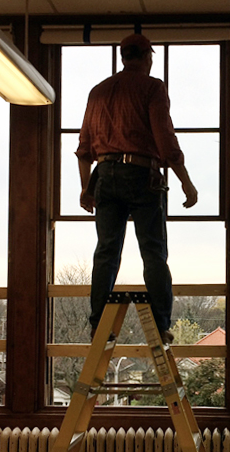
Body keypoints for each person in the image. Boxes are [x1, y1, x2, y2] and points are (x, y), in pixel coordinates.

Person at [75, 33, 198, 344]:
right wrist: (186, 182)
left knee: (106, 253)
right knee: (153, 252)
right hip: (142, 174)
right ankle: (160, 326)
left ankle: (98, 326)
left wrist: (85, 189)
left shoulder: (98, 92)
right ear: (148, 58)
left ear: (122, 57)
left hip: (104, 175)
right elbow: (165, 139)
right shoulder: (152, 88)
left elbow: (84, 148)